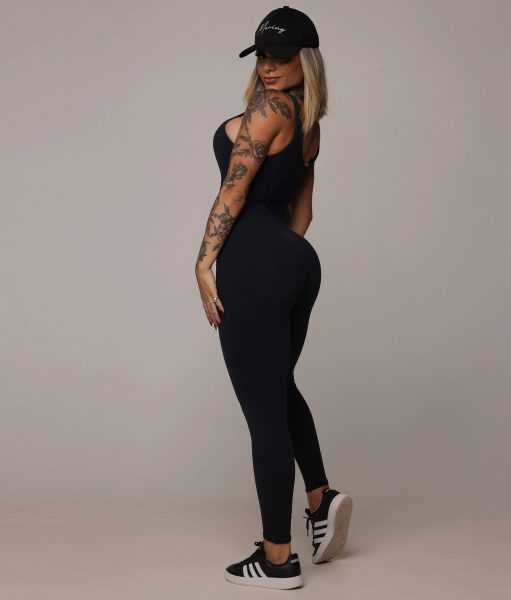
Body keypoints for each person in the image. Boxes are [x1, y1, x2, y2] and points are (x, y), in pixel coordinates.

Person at [194, 6, 352, 589]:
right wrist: (281, 260)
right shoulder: (309, 124)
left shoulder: (269, 111)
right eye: (262, 55)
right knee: (278, 389)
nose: (268, 67)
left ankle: (277, 557)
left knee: (263, 413)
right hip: (296, 260)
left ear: (305, 60)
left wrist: (204, 261)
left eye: (281, 58)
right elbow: (302, 213)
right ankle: (320, 499)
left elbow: (233, 193)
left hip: (254, 260)